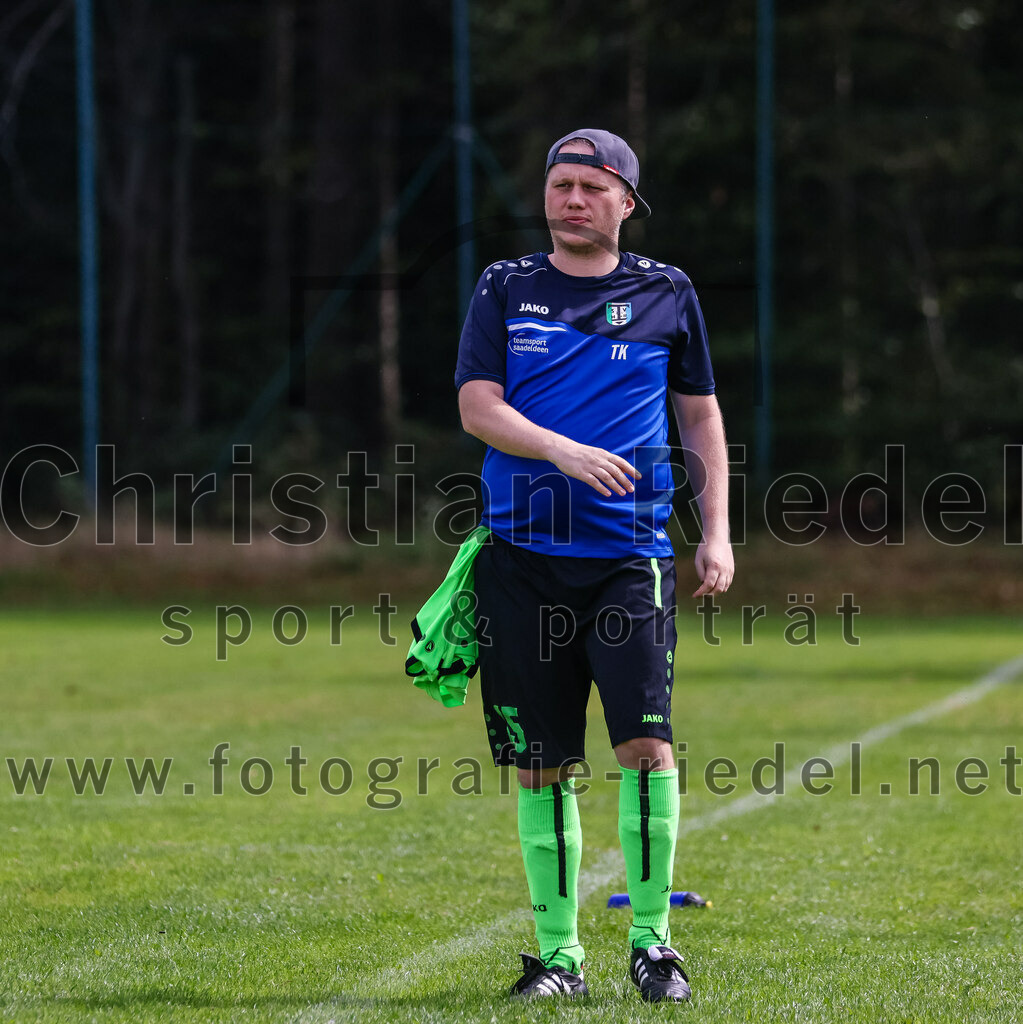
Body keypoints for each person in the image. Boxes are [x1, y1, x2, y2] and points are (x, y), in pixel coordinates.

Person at [454, 128, 733, 1002]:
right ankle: (558, 960)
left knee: (646, 748)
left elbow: (699, 421)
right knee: (540, 763)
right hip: (520, 560)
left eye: (590, 186)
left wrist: (715, 531)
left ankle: (653, 948)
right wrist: (560, 451)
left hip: (629, 560)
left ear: (625, 203)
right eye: (559, 184)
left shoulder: (665, 291)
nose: (570, 199)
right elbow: (475, 407)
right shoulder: (506, 288)